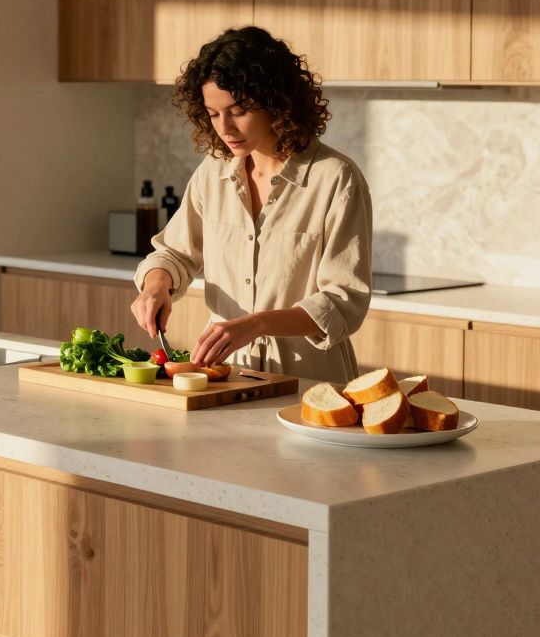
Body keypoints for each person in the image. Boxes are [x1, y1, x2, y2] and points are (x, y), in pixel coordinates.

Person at [130, 26, 372, 382]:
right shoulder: (212, 175)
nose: (224, 127)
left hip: (307, 379)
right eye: (213, 113)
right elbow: (174, 254)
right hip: (223, 373)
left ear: (277, 101)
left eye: (238, 110)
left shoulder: (335, 179)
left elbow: (343, 300)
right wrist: (155, 286)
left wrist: (256, 324)